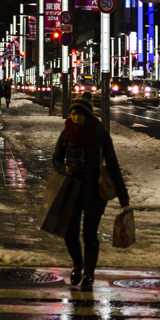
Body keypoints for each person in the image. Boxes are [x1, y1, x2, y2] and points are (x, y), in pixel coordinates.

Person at [53, 99, 130, 291]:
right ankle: (77, 265)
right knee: (70, 233)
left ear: (88, 116)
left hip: (94, 192)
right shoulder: (66, 133)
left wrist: (124, 198)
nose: (76, 117)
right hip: (71, 190)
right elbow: (56, 159)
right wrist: (65, 169)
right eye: (73, 113)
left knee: (89, 234)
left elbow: (113, 166)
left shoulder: (99, 134)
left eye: (80, 114)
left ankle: (89, 273)